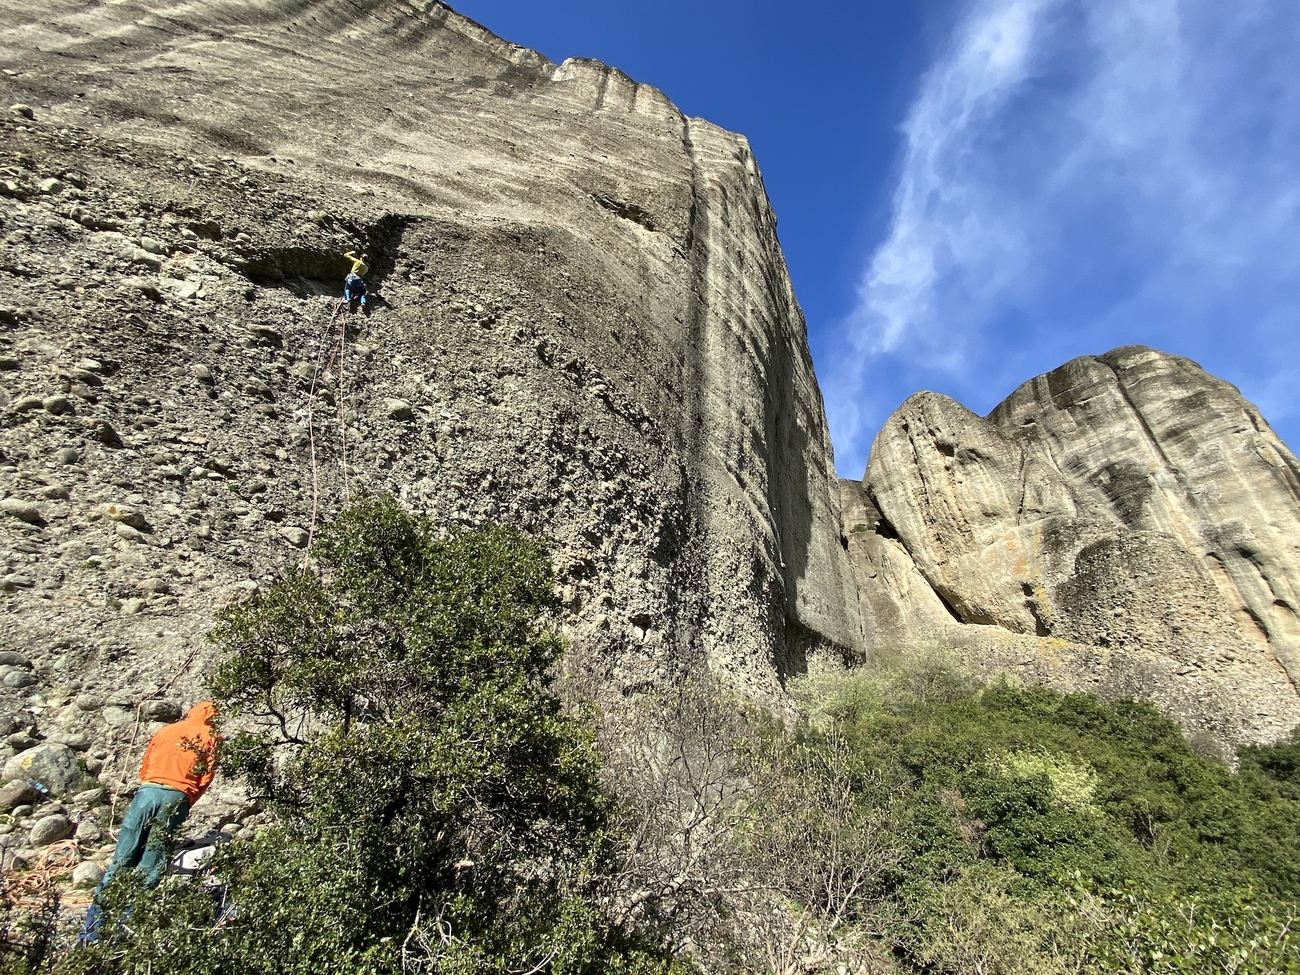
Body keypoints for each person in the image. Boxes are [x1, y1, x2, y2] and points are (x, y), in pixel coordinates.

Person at [80, 702, 222, 942]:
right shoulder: (212, 736)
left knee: (122, 860)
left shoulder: (167, 730)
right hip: (177, 796)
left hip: (147, 792)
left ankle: (92, 934)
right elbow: (206, 776)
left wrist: (151, 784)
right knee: (151, 865)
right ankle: (126, 929)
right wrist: (187, 799)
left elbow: (146, 764)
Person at [343, 249, 371, 316]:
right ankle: (363, 302)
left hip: (352, 278)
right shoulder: (366, 268)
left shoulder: (357, 261)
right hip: (359, 280)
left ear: (361, 258)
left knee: (347, 287)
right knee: (363, 291)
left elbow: (345, 255)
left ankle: (347, 299)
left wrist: (352, 252)